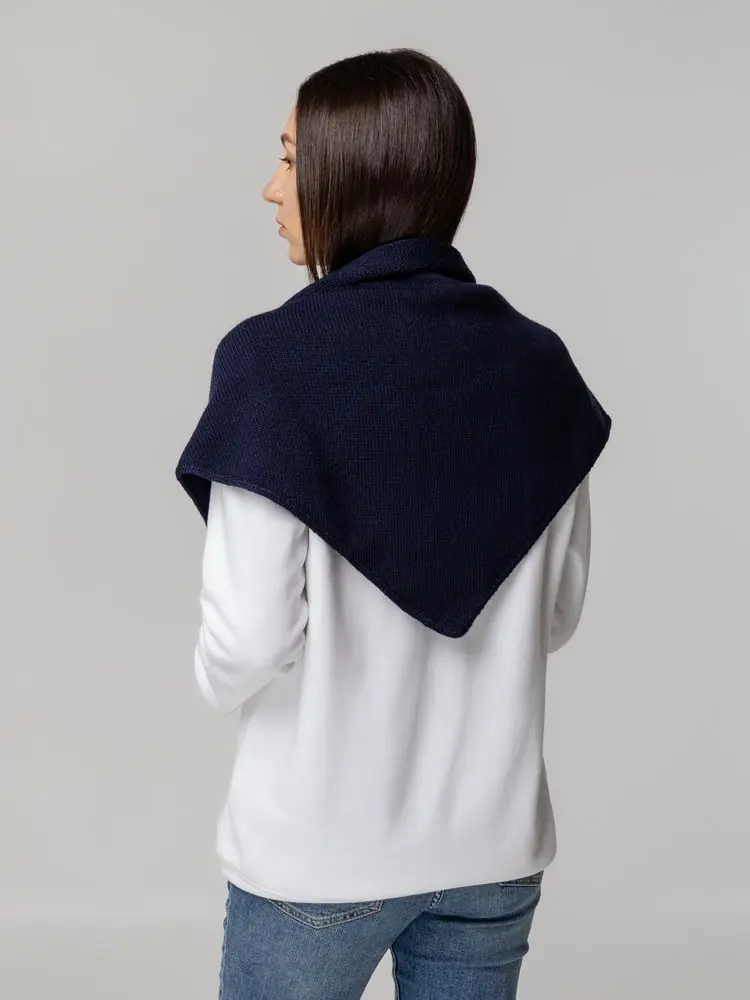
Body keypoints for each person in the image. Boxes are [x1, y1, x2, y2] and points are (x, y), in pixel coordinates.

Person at [175, 48, 611, 1000]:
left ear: (353, 173)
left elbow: (246, 639)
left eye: (290, 158)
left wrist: (212, 677)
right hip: (492, 847)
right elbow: (556, 616)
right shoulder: (538, 366)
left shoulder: (272, 364)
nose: (271, 187)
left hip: (316, 852)